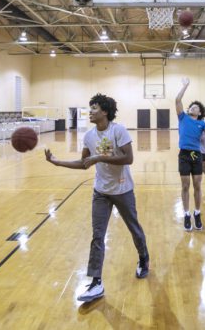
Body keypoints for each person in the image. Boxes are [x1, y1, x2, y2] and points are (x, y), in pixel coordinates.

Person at [45, 93, 149, 303]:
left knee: (134, 229)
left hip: (123, 190)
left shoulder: (117, 130)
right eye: (90, 108)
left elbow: (128, 158)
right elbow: (84, 163)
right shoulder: (89, 136)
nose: (90, 112)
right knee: (97, 235)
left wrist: (100, 157)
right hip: (100, 192)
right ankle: (96, 282)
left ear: (105, 111)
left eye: (94, 108)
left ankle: (143, 259)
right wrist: (57, 162)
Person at [176, 78, 205, 231]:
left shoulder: (202, 123)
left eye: (196, 107)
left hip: (197, 155)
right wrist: (185, 86)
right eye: (191, 106)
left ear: (199, 112)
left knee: (197, 185)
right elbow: (177, 100)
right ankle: (186, 214)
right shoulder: (182, 117)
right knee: (185, 186)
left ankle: (197, 213)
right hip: (184, 154)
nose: (192, 107)